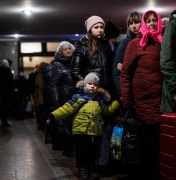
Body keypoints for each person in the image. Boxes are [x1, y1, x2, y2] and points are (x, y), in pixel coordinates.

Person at [46, 72, 120, 180]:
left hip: (94, 132)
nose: (92, 86)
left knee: (92, 152)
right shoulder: (78, 98)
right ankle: (82, 169)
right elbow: (66, 108)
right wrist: (53, 116)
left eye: (95, 84)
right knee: (81, 152)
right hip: (80, 131)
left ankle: (92, 168)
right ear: (84, 84)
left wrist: (118, 103)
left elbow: (107, 111)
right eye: (89, 83)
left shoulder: (98, 100)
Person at [120, 9, 163, 180]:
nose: (152, 23)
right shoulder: (134, 44)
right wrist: (128, 103)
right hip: (142, 100)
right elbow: (125, 74)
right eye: (149, 20)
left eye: (154, 20)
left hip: (160, 99)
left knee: (158, 142)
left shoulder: (162, 41)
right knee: (146, 142)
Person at [71, 15, 117, 172]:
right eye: (96, 27)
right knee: (86, 134)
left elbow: (109, 70)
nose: (100, 29)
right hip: (90, 96)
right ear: (90, 29)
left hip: (105, 96)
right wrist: (88, 88)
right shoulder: (82, 47)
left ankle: (99, 165)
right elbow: (75, 72)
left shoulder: (106, 46)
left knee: (102, 133)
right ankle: (84, 167)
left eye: (101, 27)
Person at [49, 41, 76, 156]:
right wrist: (57, 103)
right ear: (61, 51)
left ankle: (72, 148)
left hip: (75, 98)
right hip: (64, 99)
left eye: (69, 49)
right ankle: (67, 149)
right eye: (65, 49)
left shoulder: (75, 63)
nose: (68, 51)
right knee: (66, 126)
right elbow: (53, 85)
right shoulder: (57, 65)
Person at [112, 11, 141, 97]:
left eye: (136, 22)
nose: (133, 26)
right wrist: (122, 93)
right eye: (130, 23)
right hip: (129, 89)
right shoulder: (125, 43)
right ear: (128, 26)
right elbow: (116, 70)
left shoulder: (146, 40)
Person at [0, 59, 14, 127]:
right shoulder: (7, 71)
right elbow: (11, 82)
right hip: (7, 93)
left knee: (3, 108)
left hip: (2, 93)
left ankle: (4, 121)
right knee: (5, 108)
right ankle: (4, 121)